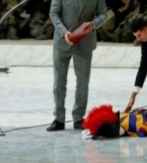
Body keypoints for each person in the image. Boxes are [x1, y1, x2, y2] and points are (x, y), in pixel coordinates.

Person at [46, 0, 107, 132]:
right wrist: (64, 32)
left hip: (85, 43)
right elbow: (54, 13)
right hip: (62, 42)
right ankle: (59, 119)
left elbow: (103, 14)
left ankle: (78, 118)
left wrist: (93, 24)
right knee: (59, 82)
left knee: (83, 83)